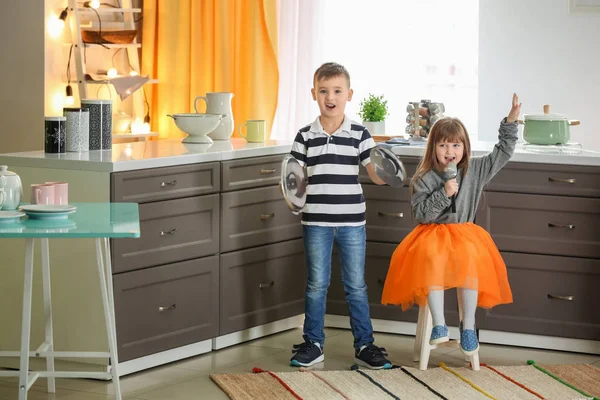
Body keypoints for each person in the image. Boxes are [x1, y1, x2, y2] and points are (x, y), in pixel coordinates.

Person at [381, 94, 522, 356]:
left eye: (456, 145)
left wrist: (510, 123)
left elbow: (503, 152)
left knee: (470, 261)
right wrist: (443, 193)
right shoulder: (423, 177)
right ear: (433, 148)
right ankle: (439, 324)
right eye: (443, 145)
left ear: (465, 148)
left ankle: (468, 326)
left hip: (465, 235)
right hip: (432, 234)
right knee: (431, 258)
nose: (450, 152)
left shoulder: (475, 170)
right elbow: (421, 214)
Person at [287, 62, 391, 369]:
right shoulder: (305, 136)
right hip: (315, 220)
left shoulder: (359, 133)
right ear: (313, 94)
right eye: (323, 91)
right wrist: (292, 198)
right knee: (316, 284)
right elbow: (294, 178)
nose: (329, 97)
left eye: (336, 91)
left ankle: (365, 344)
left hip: (351, 223)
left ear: (349, 95)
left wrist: (388, 173)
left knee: (355, 285)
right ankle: (313, 343)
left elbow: (375, 172)